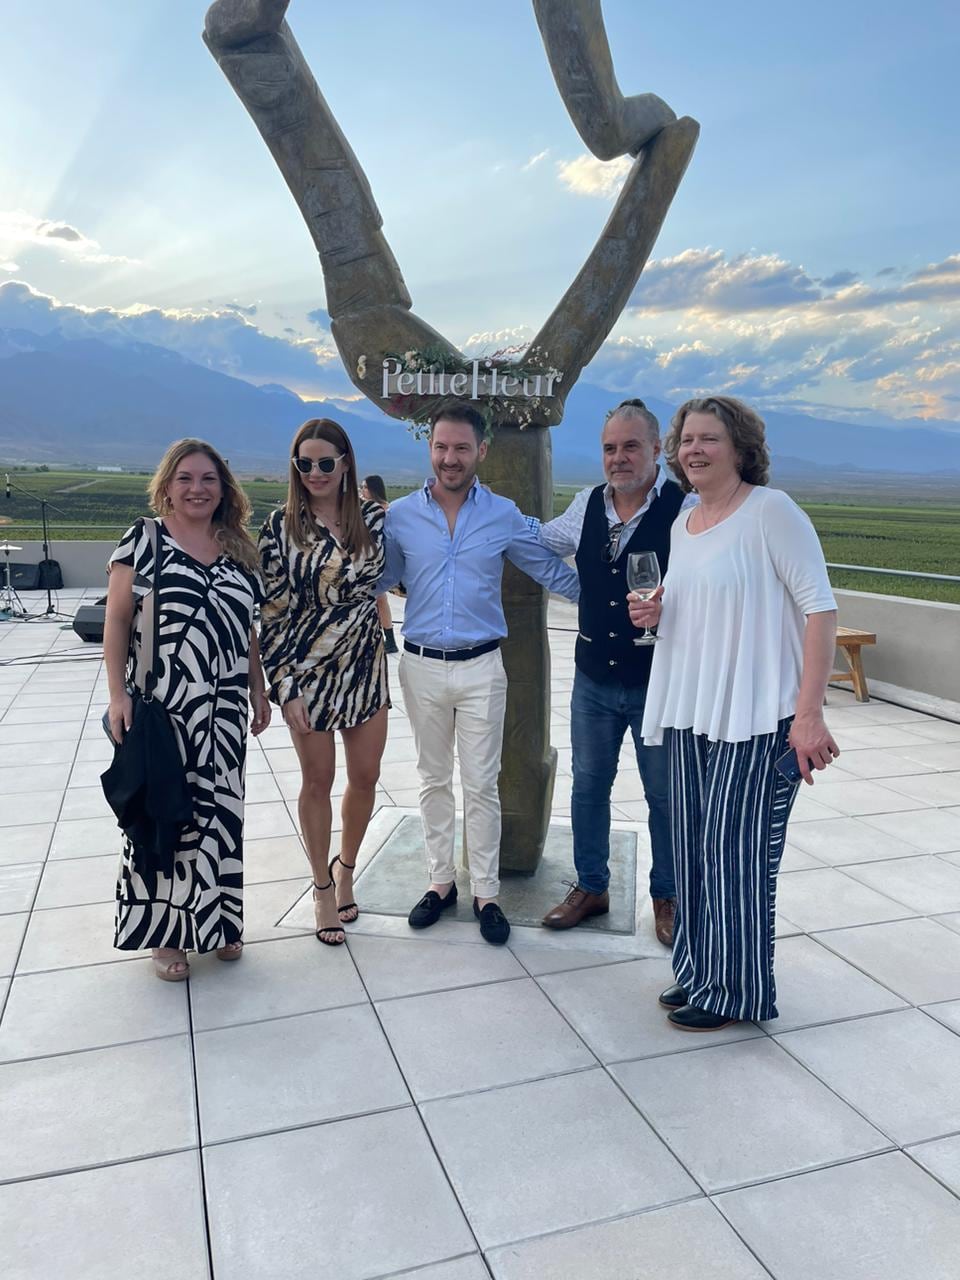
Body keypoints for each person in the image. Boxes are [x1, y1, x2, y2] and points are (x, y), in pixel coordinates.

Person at [630, 395, 839, 1031]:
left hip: (757, 719)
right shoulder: (685, 521)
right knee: (694, 853)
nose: (694, 449)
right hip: (696, 714)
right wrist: (659, 611)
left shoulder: (772, 513)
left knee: (737, 858)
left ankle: (737, 991)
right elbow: (696, 603)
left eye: (709, 439)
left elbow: (820, 611)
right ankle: (698, 972)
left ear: (741, 447)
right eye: (686, 439)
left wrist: (809, 715)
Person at [379, 403, 580, 945]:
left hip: (482, 668)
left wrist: (608, 604)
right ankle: (440, 882)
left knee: (482, 784)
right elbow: (381, 577)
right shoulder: (399, 516)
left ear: (480, 452)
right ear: (430, 450)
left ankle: (487, 893)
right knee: (431, 779)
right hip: (421, 665)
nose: (450, 458)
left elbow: (546, 567)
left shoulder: (503, 514)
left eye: (461, 448)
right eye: (441, 447)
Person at [103, 438, 271, 982]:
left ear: (224, 489)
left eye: (208, 480)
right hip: (165, 707)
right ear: (168, 486)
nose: (197, 489)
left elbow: (245, 629)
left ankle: (217, 923)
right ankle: (164, 935)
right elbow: (118, 623)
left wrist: (258, 686)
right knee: (164, 816)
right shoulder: (145, 539)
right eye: (186, 479)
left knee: (220, 817)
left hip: (222, 711)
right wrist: (117, 696)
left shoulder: (238, 547)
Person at [533, 399, 693, 944]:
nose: (618, 458)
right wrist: (576, 590)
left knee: (665, 795)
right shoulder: (585, 506)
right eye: (609, 448)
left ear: (657, 450)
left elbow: (708, 587)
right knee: (588, 787)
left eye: (630, 446)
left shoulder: (686, 509)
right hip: (593, 678)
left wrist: (674, 608)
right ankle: (592, 886)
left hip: (659, 682)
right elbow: (541, 544)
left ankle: (667, 897)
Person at [258, 419, 388, 946]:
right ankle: (320, 888)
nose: (314, 472)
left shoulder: (375, 520)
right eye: (304, 463)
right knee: (317, 780)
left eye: (324, 463)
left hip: (363, 662)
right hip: (305, 669)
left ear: (345, 463)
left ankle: (347, 868)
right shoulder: (280, 527)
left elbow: (401, 576)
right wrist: (282, 686)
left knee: (365, 776)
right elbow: (270, 613)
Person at [361, 473, 399, 655]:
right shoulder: (386, 508)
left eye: (364, 487)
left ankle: (386, 640)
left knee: (378, 599)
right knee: (381, 600)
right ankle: (388, 640)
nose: (362, 491)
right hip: (377, 559)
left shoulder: (379, 510)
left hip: (377, 560)